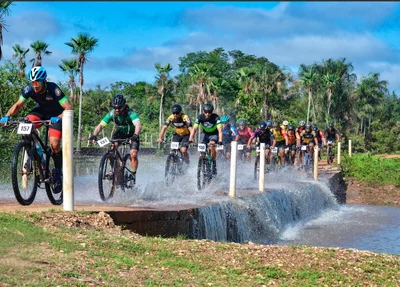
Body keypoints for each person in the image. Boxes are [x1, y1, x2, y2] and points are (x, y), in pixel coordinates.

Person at [0, 66, 73, 193]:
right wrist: (7, 116)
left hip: (56, 114)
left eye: (37, 83)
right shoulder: (29, 89)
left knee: (54, 144)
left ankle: (58, 172)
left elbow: (68, 107)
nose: (35, 86)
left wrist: (59, 117)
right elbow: (18, 104)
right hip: (41, 111)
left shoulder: (53, 88)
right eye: (32, 82)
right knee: (25, 125)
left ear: (43, 81)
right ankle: (37, 150)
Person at [89, 94, 141, 184]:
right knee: (113, 148)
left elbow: (138, 125)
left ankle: (133, 175)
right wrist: (94, 135)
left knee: (133, 154)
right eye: (115, 107)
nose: (117, 110)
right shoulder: (112, 114)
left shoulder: (131, 113)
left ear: (124, 106)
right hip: (120, 133)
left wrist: (136, 135)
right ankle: (114, 169)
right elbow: (101, 125)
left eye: (119, 108)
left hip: (132, 134)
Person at [188, 103, 222, 175]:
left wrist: (220, 141)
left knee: (212, 146)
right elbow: (194, 129)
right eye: (205, 112)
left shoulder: (216, 117)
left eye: (209, 112)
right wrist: (191, 139)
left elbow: (220, 130)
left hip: (214, 134)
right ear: (203, 111)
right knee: (201, 150)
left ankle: (214, 162)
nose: (207, 114)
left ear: (212, 112)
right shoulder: (200, 117)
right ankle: (202, 163)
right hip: (205, 134)